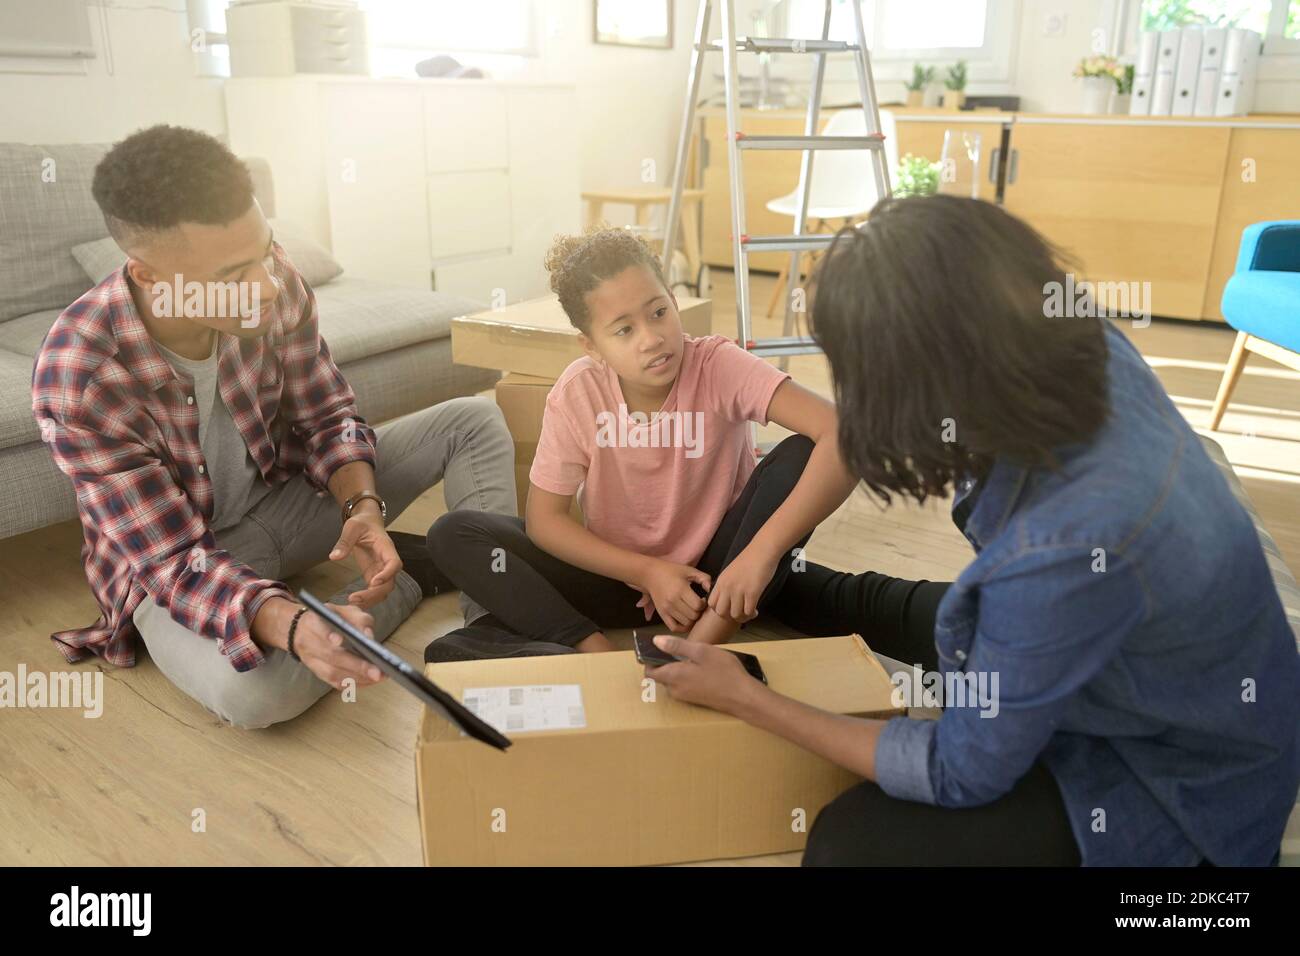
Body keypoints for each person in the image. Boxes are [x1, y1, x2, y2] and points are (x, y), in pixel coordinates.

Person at [645, 195, 1300, 867]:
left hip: (1173, 781)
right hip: (1129, 657)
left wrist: (749, 699)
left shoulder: (1066, 547)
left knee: (850, 843)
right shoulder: (1065, 343)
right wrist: (763, 550)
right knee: (836, 596)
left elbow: (960, 772)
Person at [31, 125, 516, 729]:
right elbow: (176, 561)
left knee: (470, 420)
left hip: (291, 506)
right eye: (233, 275)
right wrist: (291, 623)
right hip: (182, 567)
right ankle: (412, 575)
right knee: (258, 698)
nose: (265, 285)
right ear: (151, 276)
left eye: (264, 251)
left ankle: (498, 627)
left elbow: (326, 414)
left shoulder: (272, 281)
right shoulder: (80, 375)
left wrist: (362, 506)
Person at [425, 227, 938, 661]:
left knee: (803, 454)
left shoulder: (717, 364)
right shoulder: (579, 390)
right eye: (623, 330)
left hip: (721, 573)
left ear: (673, 300)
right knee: (454, 533)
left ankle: (698, 651)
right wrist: (649, 572)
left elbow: (844, 435)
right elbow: (546, 521)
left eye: (657, 312)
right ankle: (591, 652)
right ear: (592, 346)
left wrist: (759, 557)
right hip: (620, 582)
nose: (651, 338)